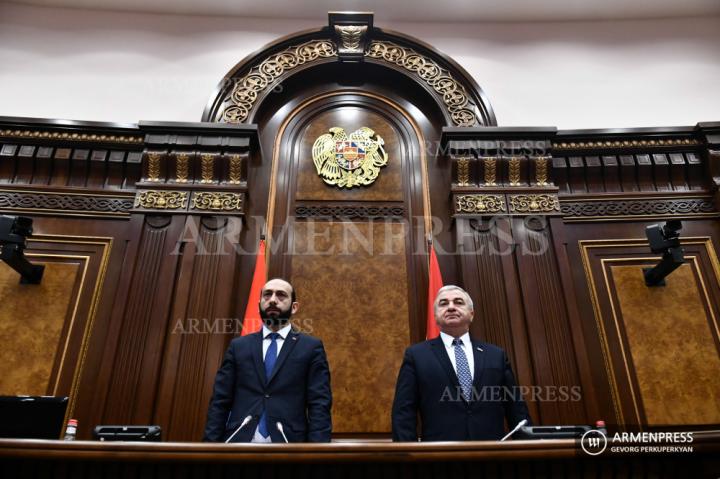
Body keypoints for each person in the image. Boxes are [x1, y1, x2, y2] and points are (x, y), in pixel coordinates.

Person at [392, 285, 531, 441]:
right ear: (435, 316)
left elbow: (516, 409)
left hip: (491, 454)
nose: (451, 307)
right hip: (437, 457)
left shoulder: (496, 355)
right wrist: (408, 458)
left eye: (458, 302)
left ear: (471, 314)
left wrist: (527, 452)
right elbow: (403, 412)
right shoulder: (416, 355)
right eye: (443, 303)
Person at [203, 278, 332, 442]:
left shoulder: (310, 347)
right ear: (259, 305)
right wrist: (210, 447)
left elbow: (319, 402)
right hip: (239, 441)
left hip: (289, 445)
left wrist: (318, 453)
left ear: (294, 307)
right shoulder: (239, 346)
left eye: (281, 295)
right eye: (267, 295)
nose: (272, 300)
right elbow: (220, 401)